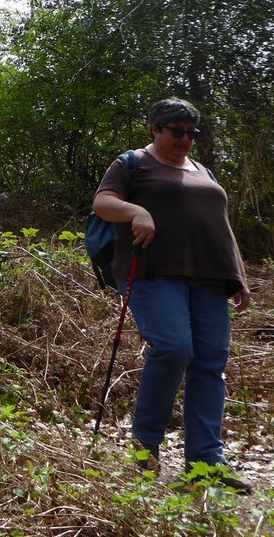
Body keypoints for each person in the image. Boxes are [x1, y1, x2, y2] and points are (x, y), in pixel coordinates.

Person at [92, 97, 252, 493]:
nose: (184, 139)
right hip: (153, 273)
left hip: (211, 278)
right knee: (174, 348)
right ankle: (145, 446)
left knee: (211, 362)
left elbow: (223, 226)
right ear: (155, 129)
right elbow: (103, 203)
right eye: (176, 131)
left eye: (191, 133)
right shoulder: (132, 163)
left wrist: (240, 276)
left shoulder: (203, 170)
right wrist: (137, 212)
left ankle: (207, 462)